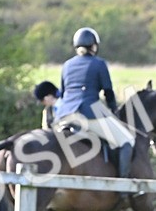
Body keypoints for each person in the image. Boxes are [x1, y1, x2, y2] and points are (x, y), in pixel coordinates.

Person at [54, 27, 134, 178]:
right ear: (94, 46)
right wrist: (113, 110)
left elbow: (63, 93)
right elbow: (108, 92)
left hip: (63, 115)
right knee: (126, 141)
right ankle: (124, 187)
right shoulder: (99, 64)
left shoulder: (66, 65)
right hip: (88, 114)